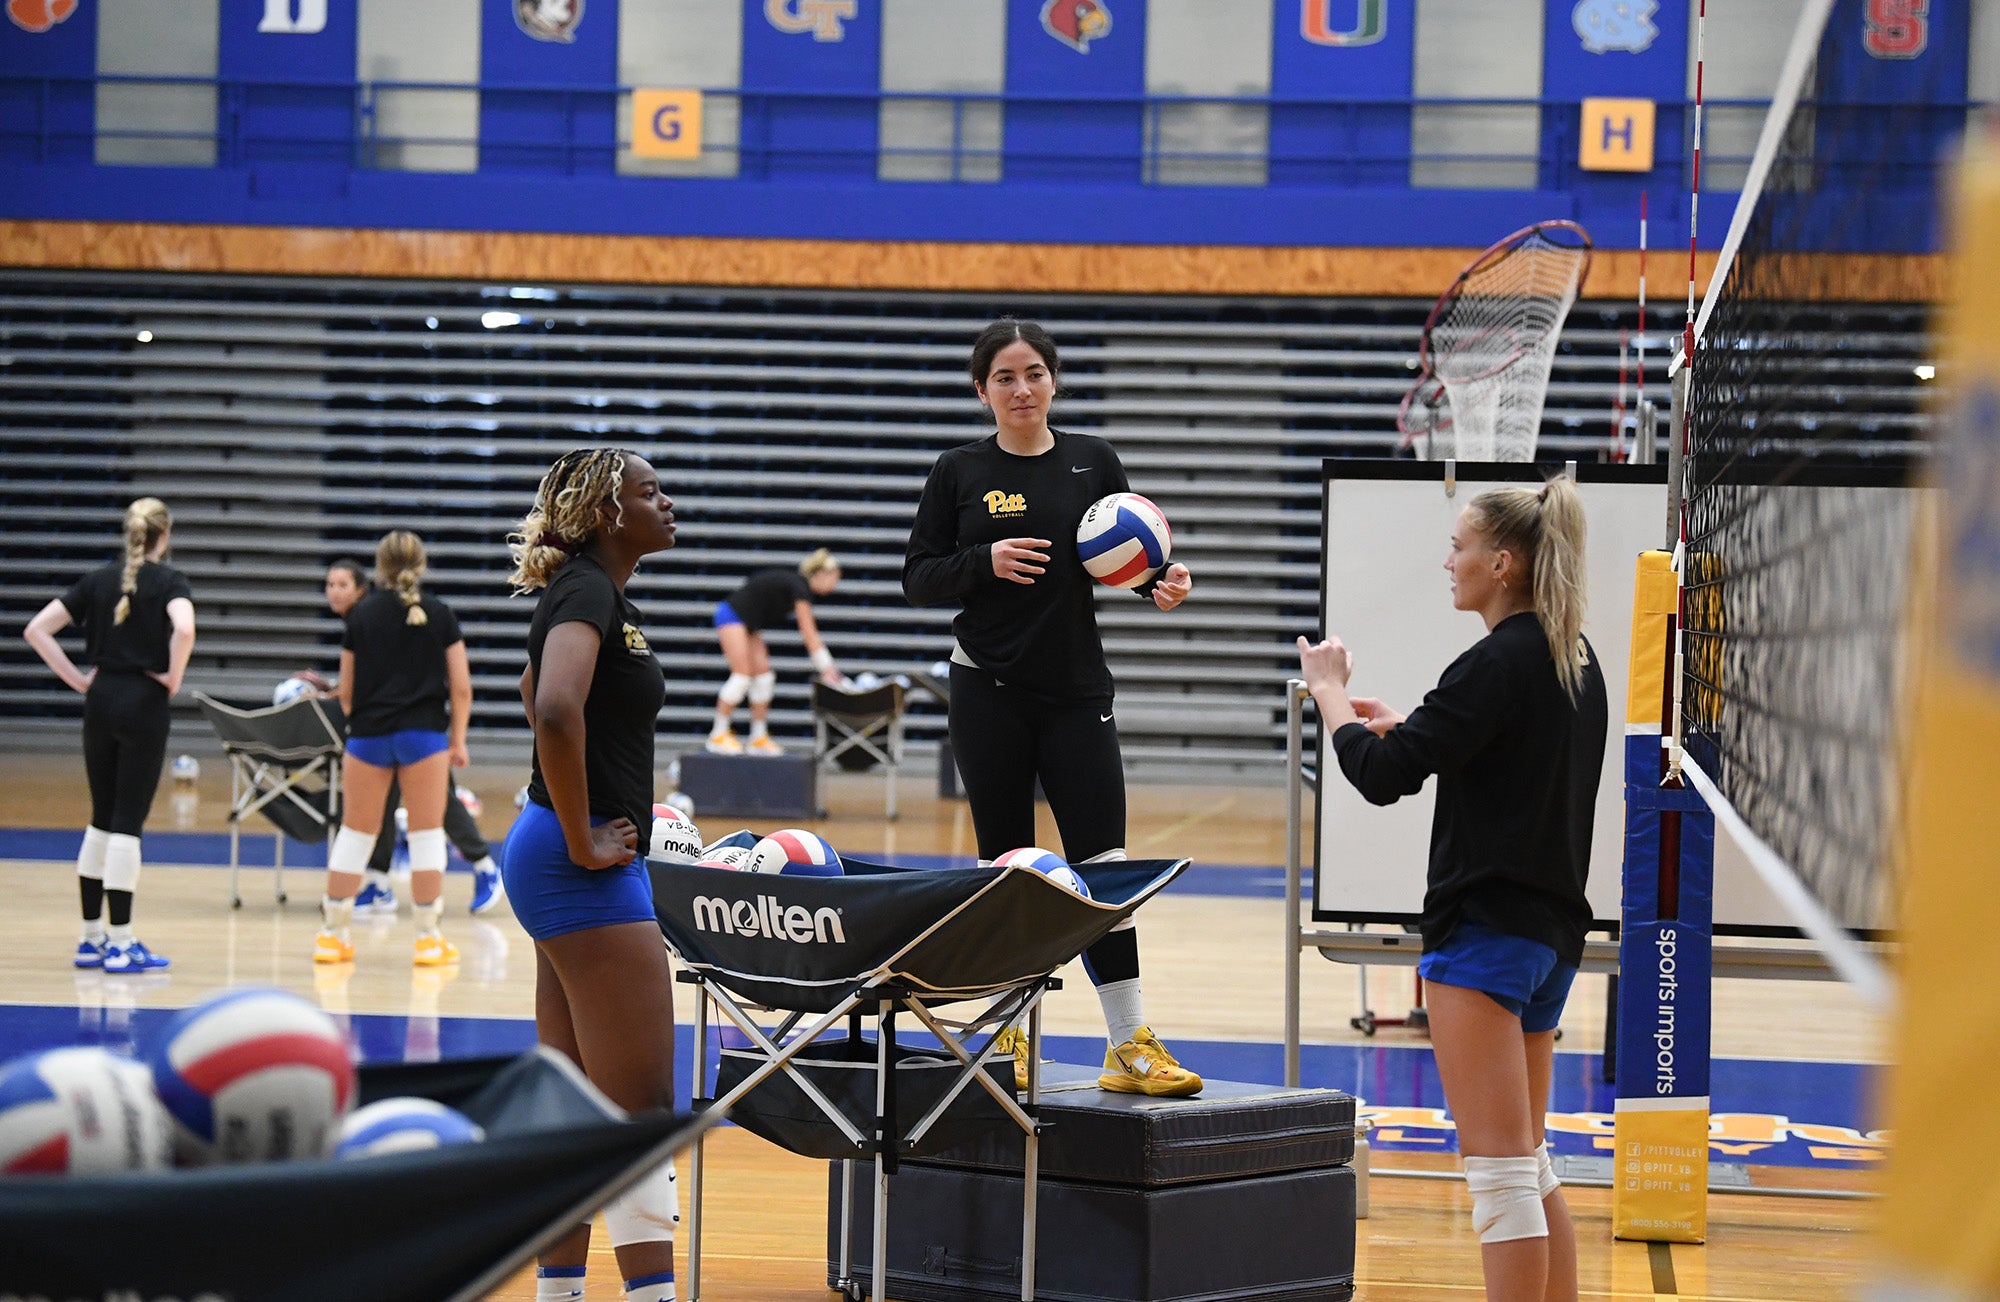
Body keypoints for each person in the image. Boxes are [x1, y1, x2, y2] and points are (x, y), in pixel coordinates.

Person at [1296, 477, 1605, 1302]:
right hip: (1549, 941)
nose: (1448, 562)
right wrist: (1418, 726)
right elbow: (1498, 756)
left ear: (1502, 562)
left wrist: (1329, 693)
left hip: (1485, 938)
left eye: (1460, 547)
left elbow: (1380, 775)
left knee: (1500, 1176)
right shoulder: (1574, 654)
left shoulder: (1494, 661)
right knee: (1528, 1163)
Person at [902, 318, 1201, 1099]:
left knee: (1104, 870)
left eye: (1033, 372)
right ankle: (1007, 1034)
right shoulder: (958, 471)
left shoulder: (1091, 461)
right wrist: (983, 560)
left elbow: (1117, 557)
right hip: (986, 696)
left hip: (1075, 696)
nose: (1021, 388)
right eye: (1004, 376)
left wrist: (1158, 582)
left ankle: (1129, 1040)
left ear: (1054, 381)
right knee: (1008, 872)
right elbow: (919, 576)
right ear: (982, 391)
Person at [501, 448, 680, 1302]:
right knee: (641, 1116)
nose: (668, 502)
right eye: (651, 493)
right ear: (610, 513)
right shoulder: (587, 590)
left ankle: (559, 1296)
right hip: (578, 869)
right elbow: (555, 705)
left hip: (557, 857)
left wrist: (570, 823)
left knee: (571, 1111)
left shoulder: (595, 593)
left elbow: (531, 682)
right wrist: (581, 835)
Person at [23, 497, 195, 974]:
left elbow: (37, 629)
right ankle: (121, 944)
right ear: (166, 535)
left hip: (100, 701)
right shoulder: (170, 581)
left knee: (100, 817)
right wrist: (174, 676)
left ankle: (90, 938)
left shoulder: (98, 580)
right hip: (144, 700)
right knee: (127, 823)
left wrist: (78, 681)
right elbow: (185, 628)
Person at [300, 559, 504, 917]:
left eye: (342, 584)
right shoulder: (403, 614)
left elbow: (380, 686)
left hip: (400, 729)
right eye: (329, 584)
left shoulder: (375, 617)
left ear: (365, 586)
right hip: (409, 729)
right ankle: (383, 886)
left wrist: (457, 740)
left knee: (426, 809)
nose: (334, 591)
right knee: (386, 808)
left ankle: (484, 866)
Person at [312, 531, 471, 968]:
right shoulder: (439, 614)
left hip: (368, 735)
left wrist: (360, 718)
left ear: (379, 568)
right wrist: (457, 740)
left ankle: (332, 935)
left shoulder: (360, 616)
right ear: (422, 563)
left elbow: (347, 691)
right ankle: (428, 938)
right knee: (425, 835)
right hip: (424, 736)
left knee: (355, 834)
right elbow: (460, 687)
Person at [705, 548, 844, 755]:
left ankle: (758, 738)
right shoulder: (799, 587)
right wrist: (827, 668)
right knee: (742, 676)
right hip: (731, 616)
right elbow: (809, 633)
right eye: (834, 579)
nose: (834, 586)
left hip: (749, 624)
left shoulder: (797, 586)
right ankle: (718, 734)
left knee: (764, 677)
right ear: (821, 574)